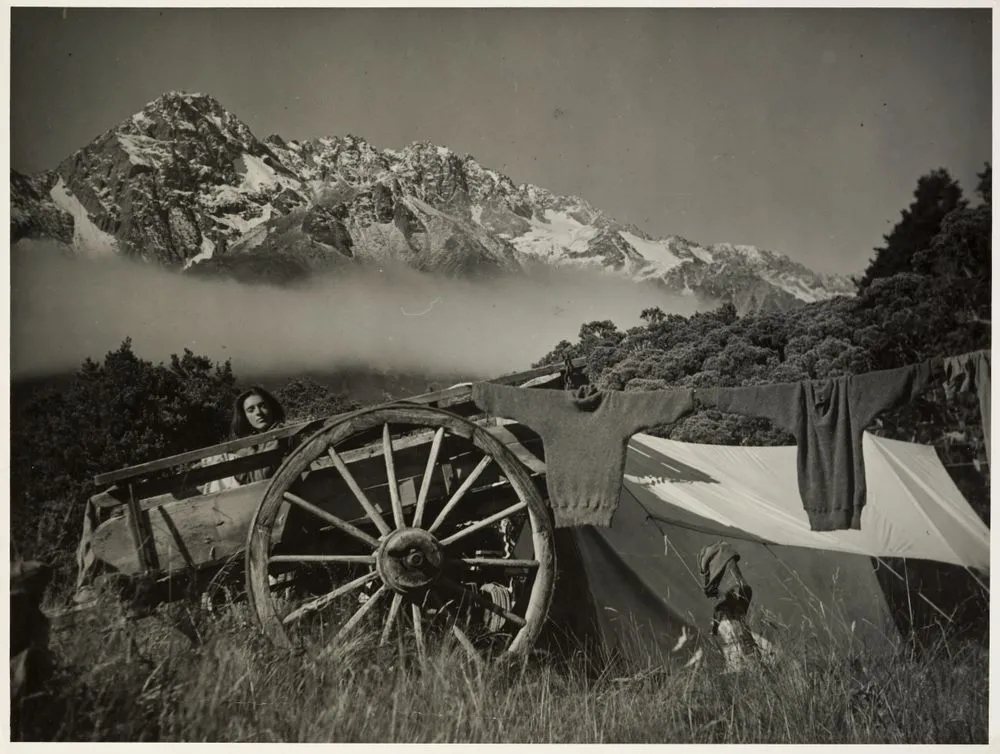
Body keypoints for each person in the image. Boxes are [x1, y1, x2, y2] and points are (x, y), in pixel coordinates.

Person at [229, 386, 289, 485]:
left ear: (271, 408)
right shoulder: (251, 442)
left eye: (262, 406)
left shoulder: (280, 435)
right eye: (251, 410)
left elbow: (261, 478)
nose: (258, 412)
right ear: (245, 417)